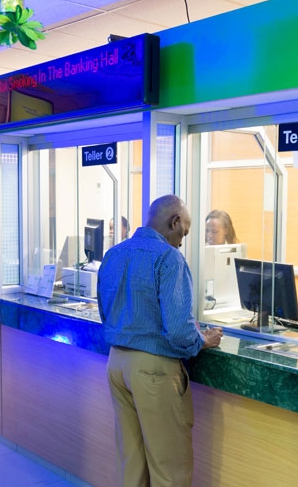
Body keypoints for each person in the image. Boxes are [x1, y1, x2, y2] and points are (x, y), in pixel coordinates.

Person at [97, 195, 222, 487]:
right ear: (174, 222)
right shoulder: (169, 258)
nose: (181, 241)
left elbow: (104, 310)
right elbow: (179, 332)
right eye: (184, 233)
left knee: (132, 463)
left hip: (117, 364)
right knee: (169, 469)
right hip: (154, 371)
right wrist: (202, 340)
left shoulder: (114, 254)